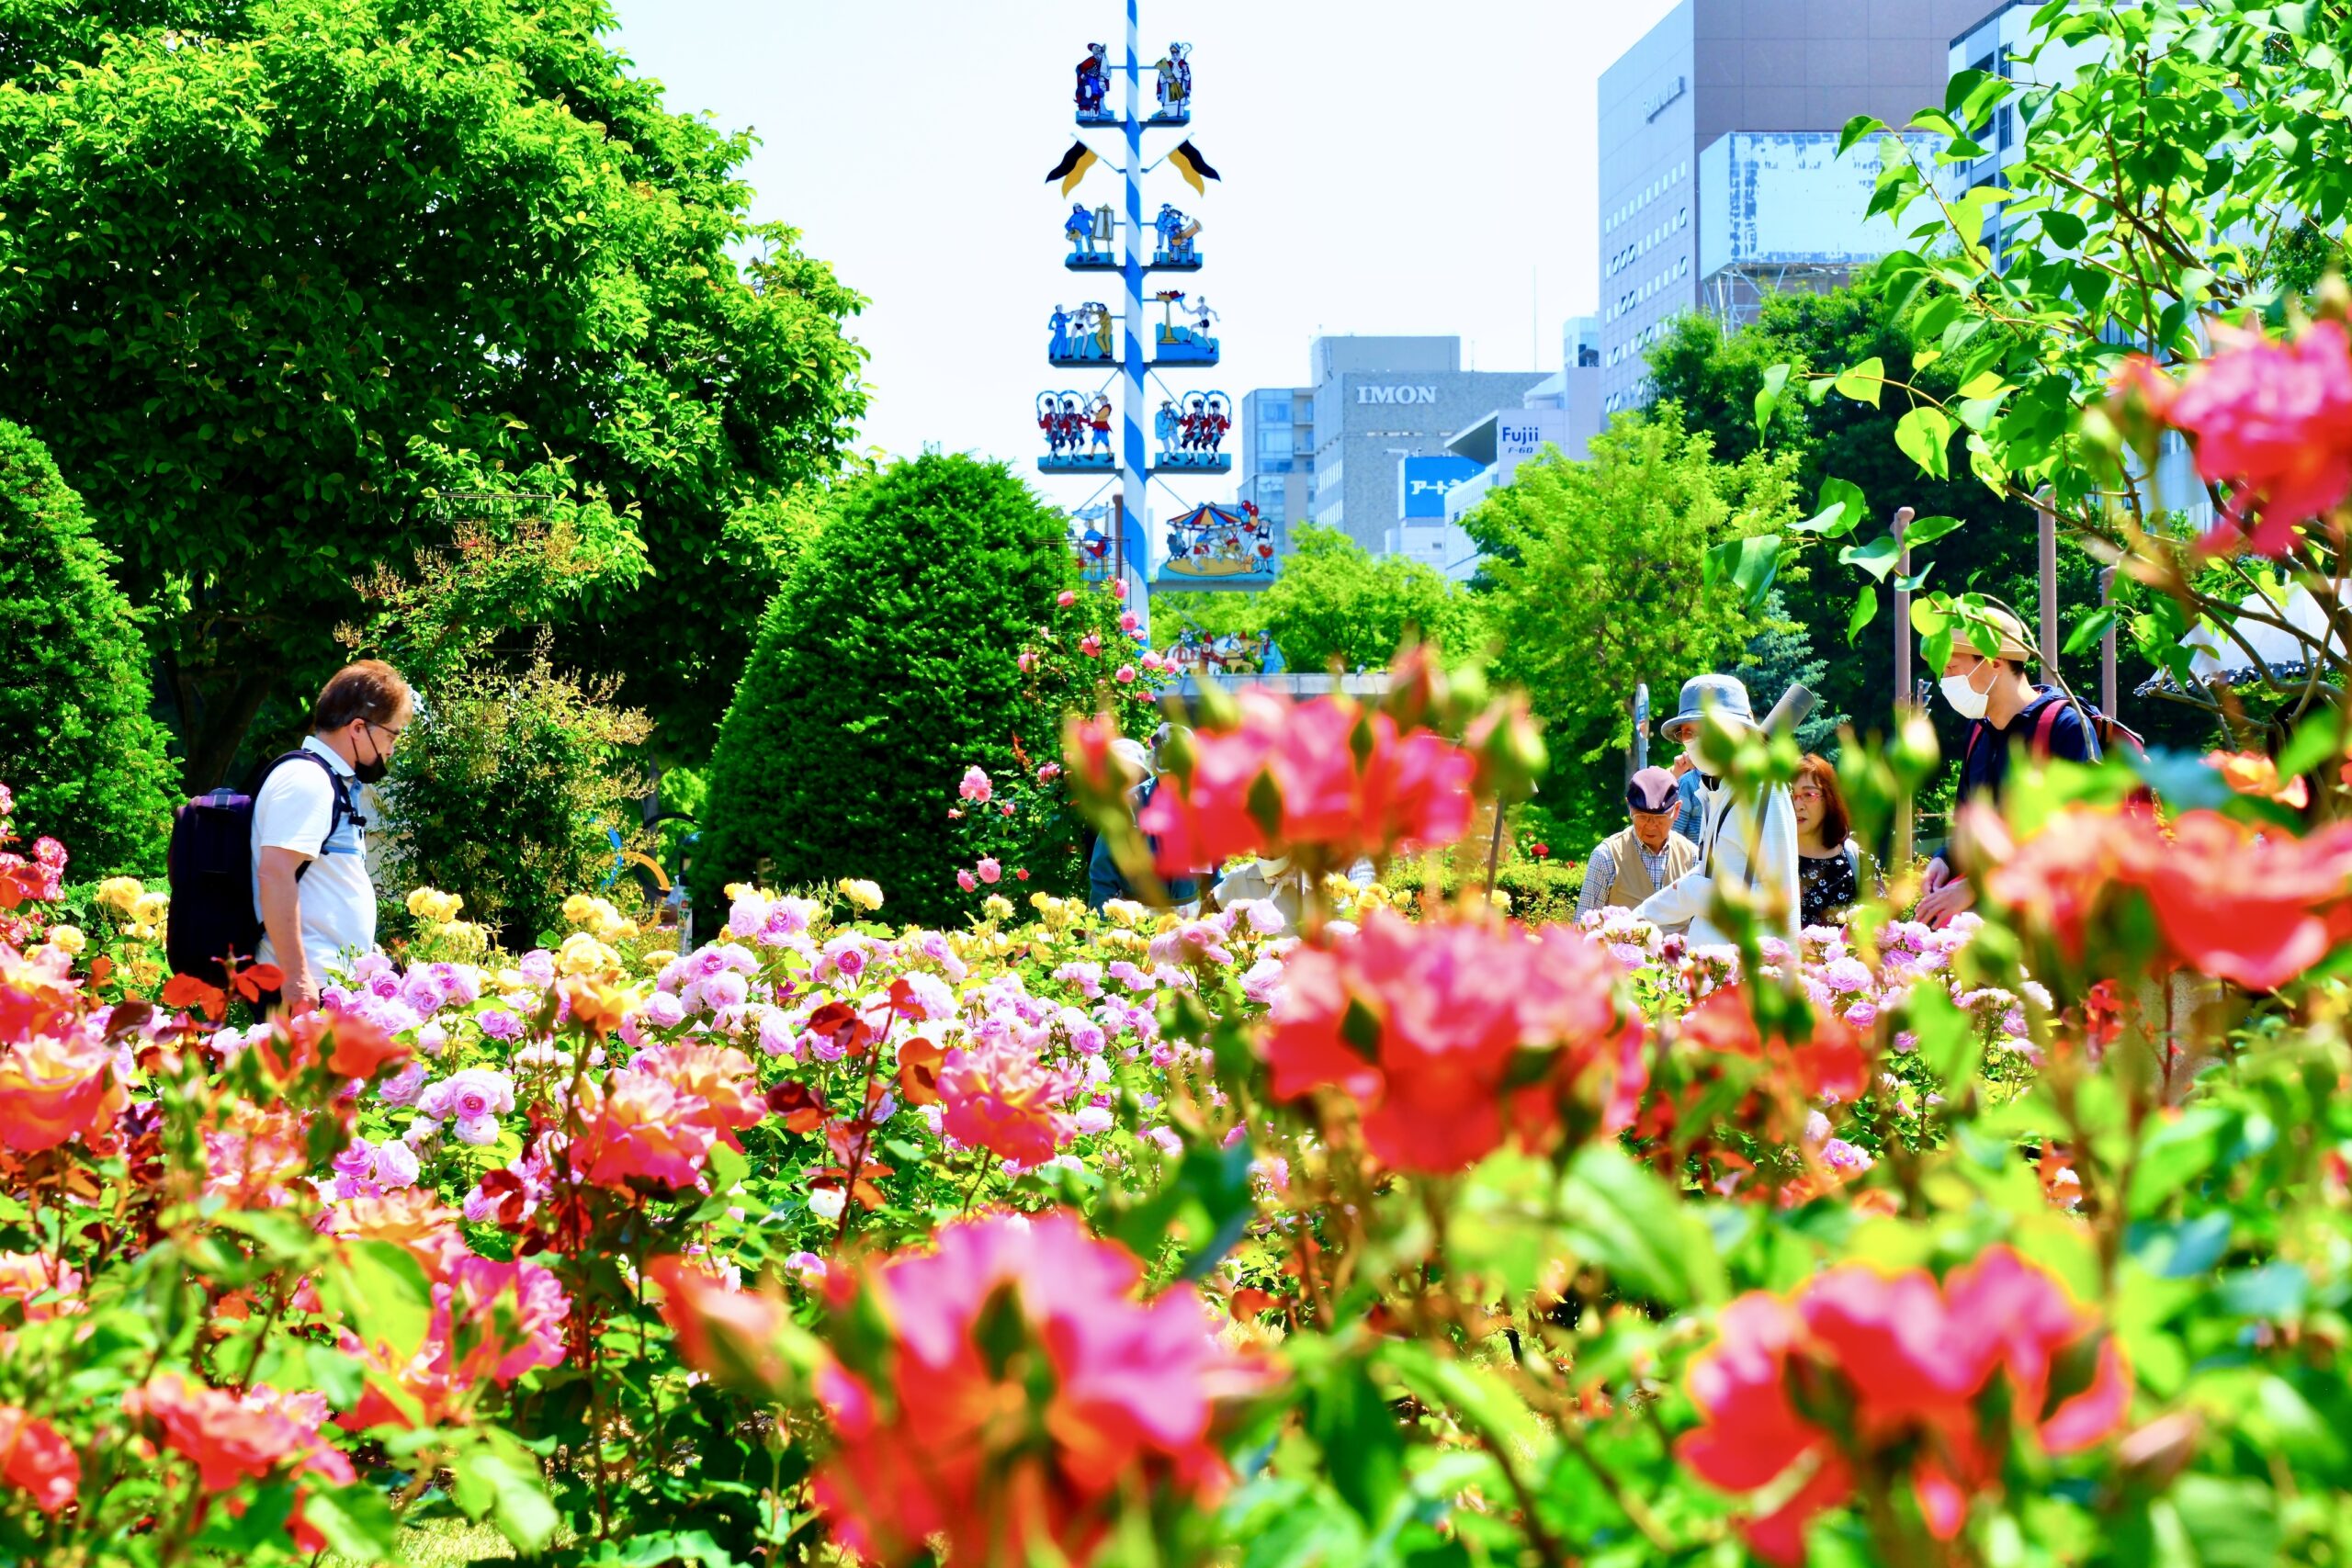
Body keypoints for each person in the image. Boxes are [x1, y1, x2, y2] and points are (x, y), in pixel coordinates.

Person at [1915, 603, 2098, 926]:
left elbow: (2083, 836)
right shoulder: (1977, 732)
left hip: (2055, 929)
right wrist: (1945, 859)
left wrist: (1980, 884)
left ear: (1994, 662)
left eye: (1951, 668)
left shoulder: (2066, 727)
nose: (1945, 682)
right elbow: (1971, 827)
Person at [253, 659, 413, 1009]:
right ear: (358, 728)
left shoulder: (330, 781)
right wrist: (297, 978)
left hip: (325, 987)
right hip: (305, 991)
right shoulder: (308, 780)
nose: (391, 749)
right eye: (391, 735)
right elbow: (275, 873)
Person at [1634, 674, 1801, 947]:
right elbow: (1701, 878)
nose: (1695, 741)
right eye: (1687, 732)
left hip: (1750, 965)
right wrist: (1634, 920)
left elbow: (1780, 898)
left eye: (1707, 730)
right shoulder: (1714, 789)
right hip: (1713, 965)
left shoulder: (1765, 790)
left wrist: (1696, 892)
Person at [1576, 767, 1700, 931]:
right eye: (1642, 817)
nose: (1651, 826)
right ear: (1630, 807)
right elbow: (1583, 927)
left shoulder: (1691, 856)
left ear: (1677, 810)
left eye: (1659, 818)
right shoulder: (1606, 856)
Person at [1792, 753, 1882, 930]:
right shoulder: (1773, 860)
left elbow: (1882, 927)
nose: (1797, 806)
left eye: (1808, 794)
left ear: (1829, 799)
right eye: (1791, 795)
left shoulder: (1858, 860)